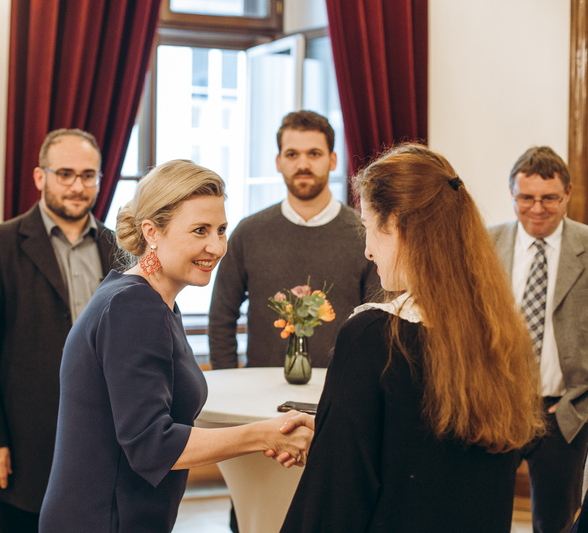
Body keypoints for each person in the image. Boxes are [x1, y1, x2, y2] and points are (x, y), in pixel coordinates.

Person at [38, 159, 314, 533]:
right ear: (152, 232)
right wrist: (263, 433)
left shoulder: (150, 299)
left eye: (221, 230)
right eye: (200, 230)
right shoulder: (134, 306)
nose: (216, 246)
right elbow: (152, 445)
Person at [280, 144, 545, 532]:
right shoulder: (499, 334)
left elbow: (336, 499)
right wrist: (336, 430)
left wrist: (336, 443)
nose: (368, 251)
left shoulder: (372, 336)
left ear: (397, 224)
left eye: (368, 227)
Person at [0, 128, 122, 532]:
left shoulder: (119, 249)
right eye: (65, 174)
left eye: (88, 175)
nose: (77, 186)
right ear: (39, 177)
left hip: (107, 441)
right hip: (24, 446)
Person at [209, 110, 378, 369]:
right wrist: (229, 379)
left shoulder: (365, 233)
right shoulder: (248, 232)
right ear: (278, 162)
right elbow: (221, 317)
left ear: (333, 160)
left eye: (314, 153)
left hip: (341, 387)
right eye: (292, 155)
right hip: (258, 386)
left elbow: (378, 323)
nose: (303, 165)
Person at [488, 146, 588, 533]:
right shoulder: (487, 244)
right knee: (484, 512)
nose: (537, 208)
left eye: (549, 198)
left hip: (564, 412)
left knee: (556, 522)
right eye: (526, 198)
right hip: (498, 405)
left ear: (568, 193)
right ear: (512, 194)